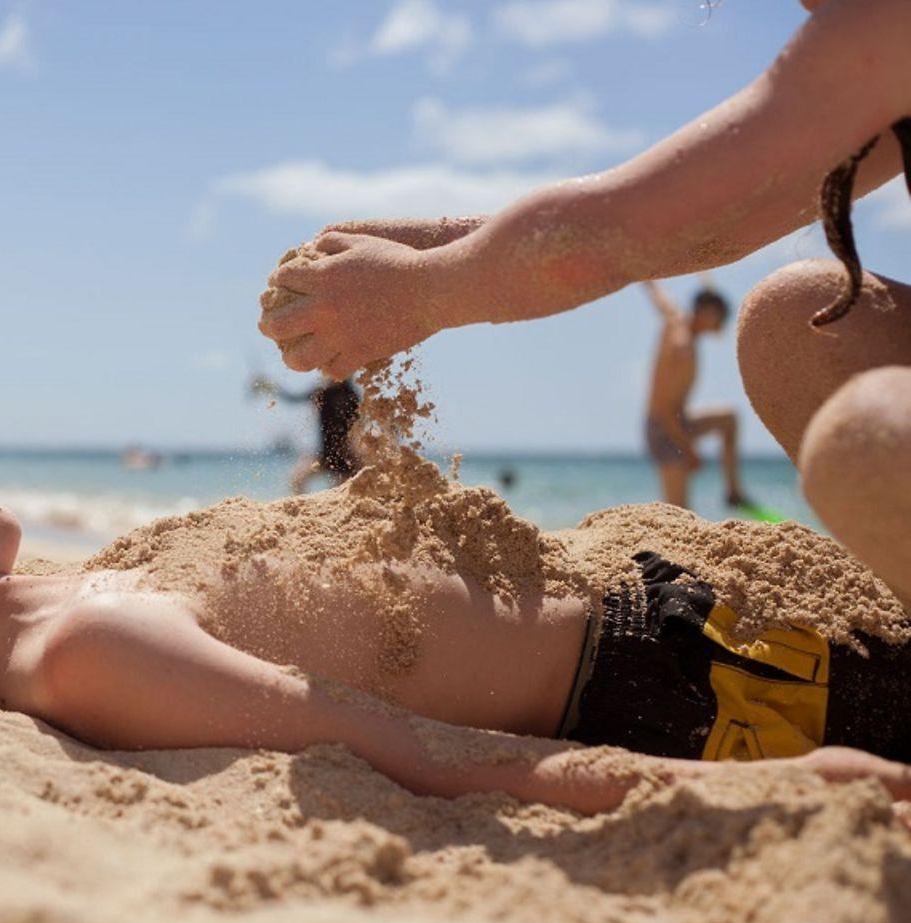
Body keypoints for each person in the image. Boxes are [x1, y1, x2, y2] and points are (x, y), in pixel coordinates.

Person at [0, 378, 911, 820]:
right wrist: (754, 791)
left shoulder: (52, 602)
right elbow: (401, 749)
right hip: (700, 696)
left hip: (676, 625)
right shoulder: (84, 651)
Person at [256, 0, 911, 607]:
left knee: (866, 437)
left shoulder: (881, 21)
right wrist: (427, 252)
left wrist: (417, 288)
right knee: (797, 319)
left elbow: (609, 236)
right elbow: (689, 222)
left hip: (688, 426)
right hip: (668, 426)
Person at [641, 282, 750, 509]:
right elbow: (665, 409)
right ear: (708, 312)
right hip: (664, 430)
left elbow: (659, 296)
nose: (723, 323)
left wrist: (647, 278)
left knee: (729, 418)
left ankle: (733, 491)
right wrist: (689, 451)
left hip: (680, 420)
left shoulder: (676, 317)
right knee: (680, 513)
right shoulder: (683, 348)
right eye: (721, 316)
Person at [254, 375, 361, 493]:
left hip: (346, 456)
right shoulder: (321, 391)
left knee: (340, 492)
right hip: (323, 454)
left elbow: (358, 425)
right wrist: (272, 386)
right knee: (296, 480)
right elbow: (292, 398)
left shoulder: (350, 396)